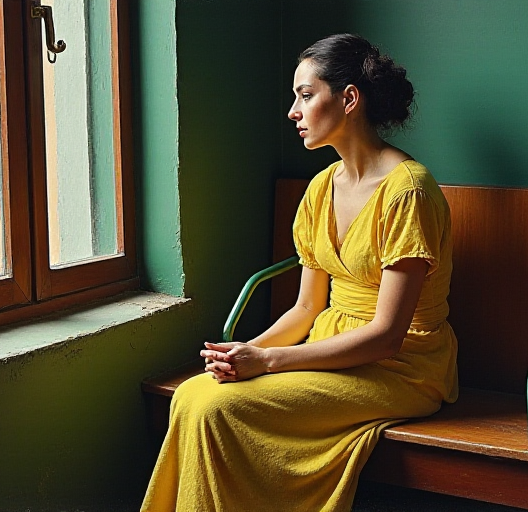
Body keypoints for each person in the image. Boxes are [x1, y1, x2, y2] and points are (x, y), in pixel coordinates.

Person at [142, 33, 458, 512]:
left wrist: (268, 363)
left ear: (349, 99)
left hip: (401, 367)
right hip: (332, 345)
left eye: (305, 96)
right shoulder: (319, 189)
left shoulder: (407, 193)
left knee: (215, 408)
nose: (293, 111)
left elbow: (388, 336)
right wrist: (248, 351)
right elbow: (308, 306)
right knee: (191, 396)